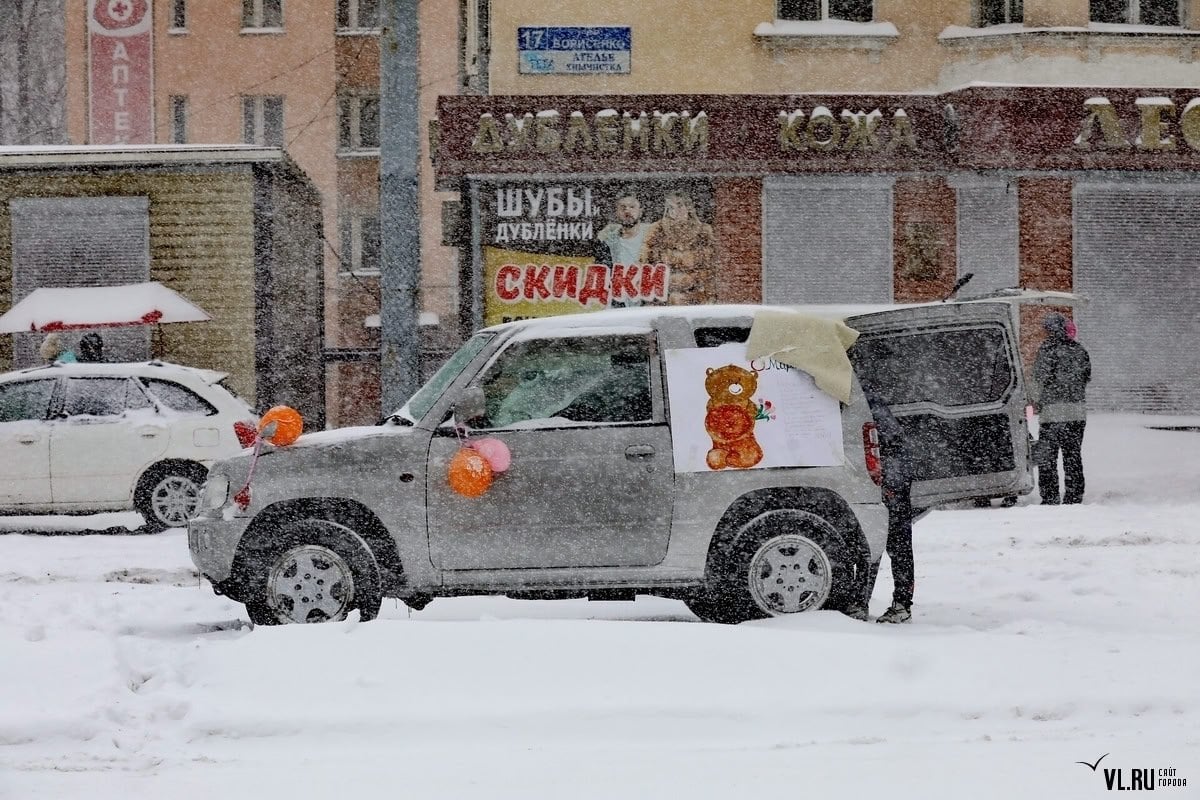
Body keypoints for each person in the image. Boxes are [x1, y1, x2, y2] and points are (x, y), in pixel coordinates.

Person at [844, 366, 917, 624]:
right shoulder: (867, 399)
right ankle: (868, 602)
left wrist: (888, 484)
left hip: (889, 480)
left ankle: (898, 604)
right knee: (881, 543)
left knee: (890, 543)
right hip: (887, 479)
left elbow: (891, 444)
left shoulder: (864, 403)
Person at [1032, 312, 1091, 505]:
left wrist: (1035, 401)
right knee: (1072, 455)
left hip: (1053, 414)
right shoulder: (1079, 350)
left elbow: (1039, 380)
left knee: (1047, 457)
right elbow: (1086, 377)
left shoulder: (1047, 350)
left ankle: (1050, 497)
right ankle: (1074, 495)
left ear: (1051, 330)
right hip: (1077, 414)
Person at [639, 190, 718, 306]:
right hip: (665, 297)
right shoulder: (656, 230)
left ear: (688, 207)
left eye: (680, 205)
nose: (675, 211)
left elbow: (710, 268)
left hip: (696, 295)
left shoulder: (703, 231)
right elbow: (646, 266)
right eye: (671, 207)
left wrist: (707, 293)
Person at [596, 188, 652, 308]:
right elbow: (603, 276)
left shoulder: (652, 237)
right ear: (616, 212)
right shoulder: (608, 241)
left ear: (640, 211)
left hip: (648, 303)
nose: (627, 210)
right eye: (622, 207)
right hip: (620, 305)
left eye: (632, 207)